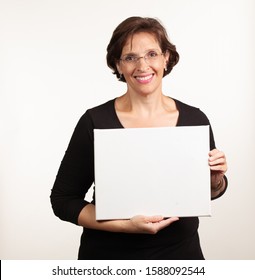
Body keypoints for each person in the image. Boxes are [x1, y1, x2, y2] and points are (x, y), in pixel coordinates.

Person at [50, 16, 228, 260]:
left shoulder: (195, 119)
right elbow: (63, 201)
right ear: (118, 65)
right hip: (108, 259)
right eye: (130, 57)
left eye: (152, 54)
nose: (143, 66)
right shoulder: (94, 121)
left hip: (181, 258)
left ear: (166, 58)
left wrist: (216, 181)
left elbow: (208, 192)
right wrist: (125, 226)